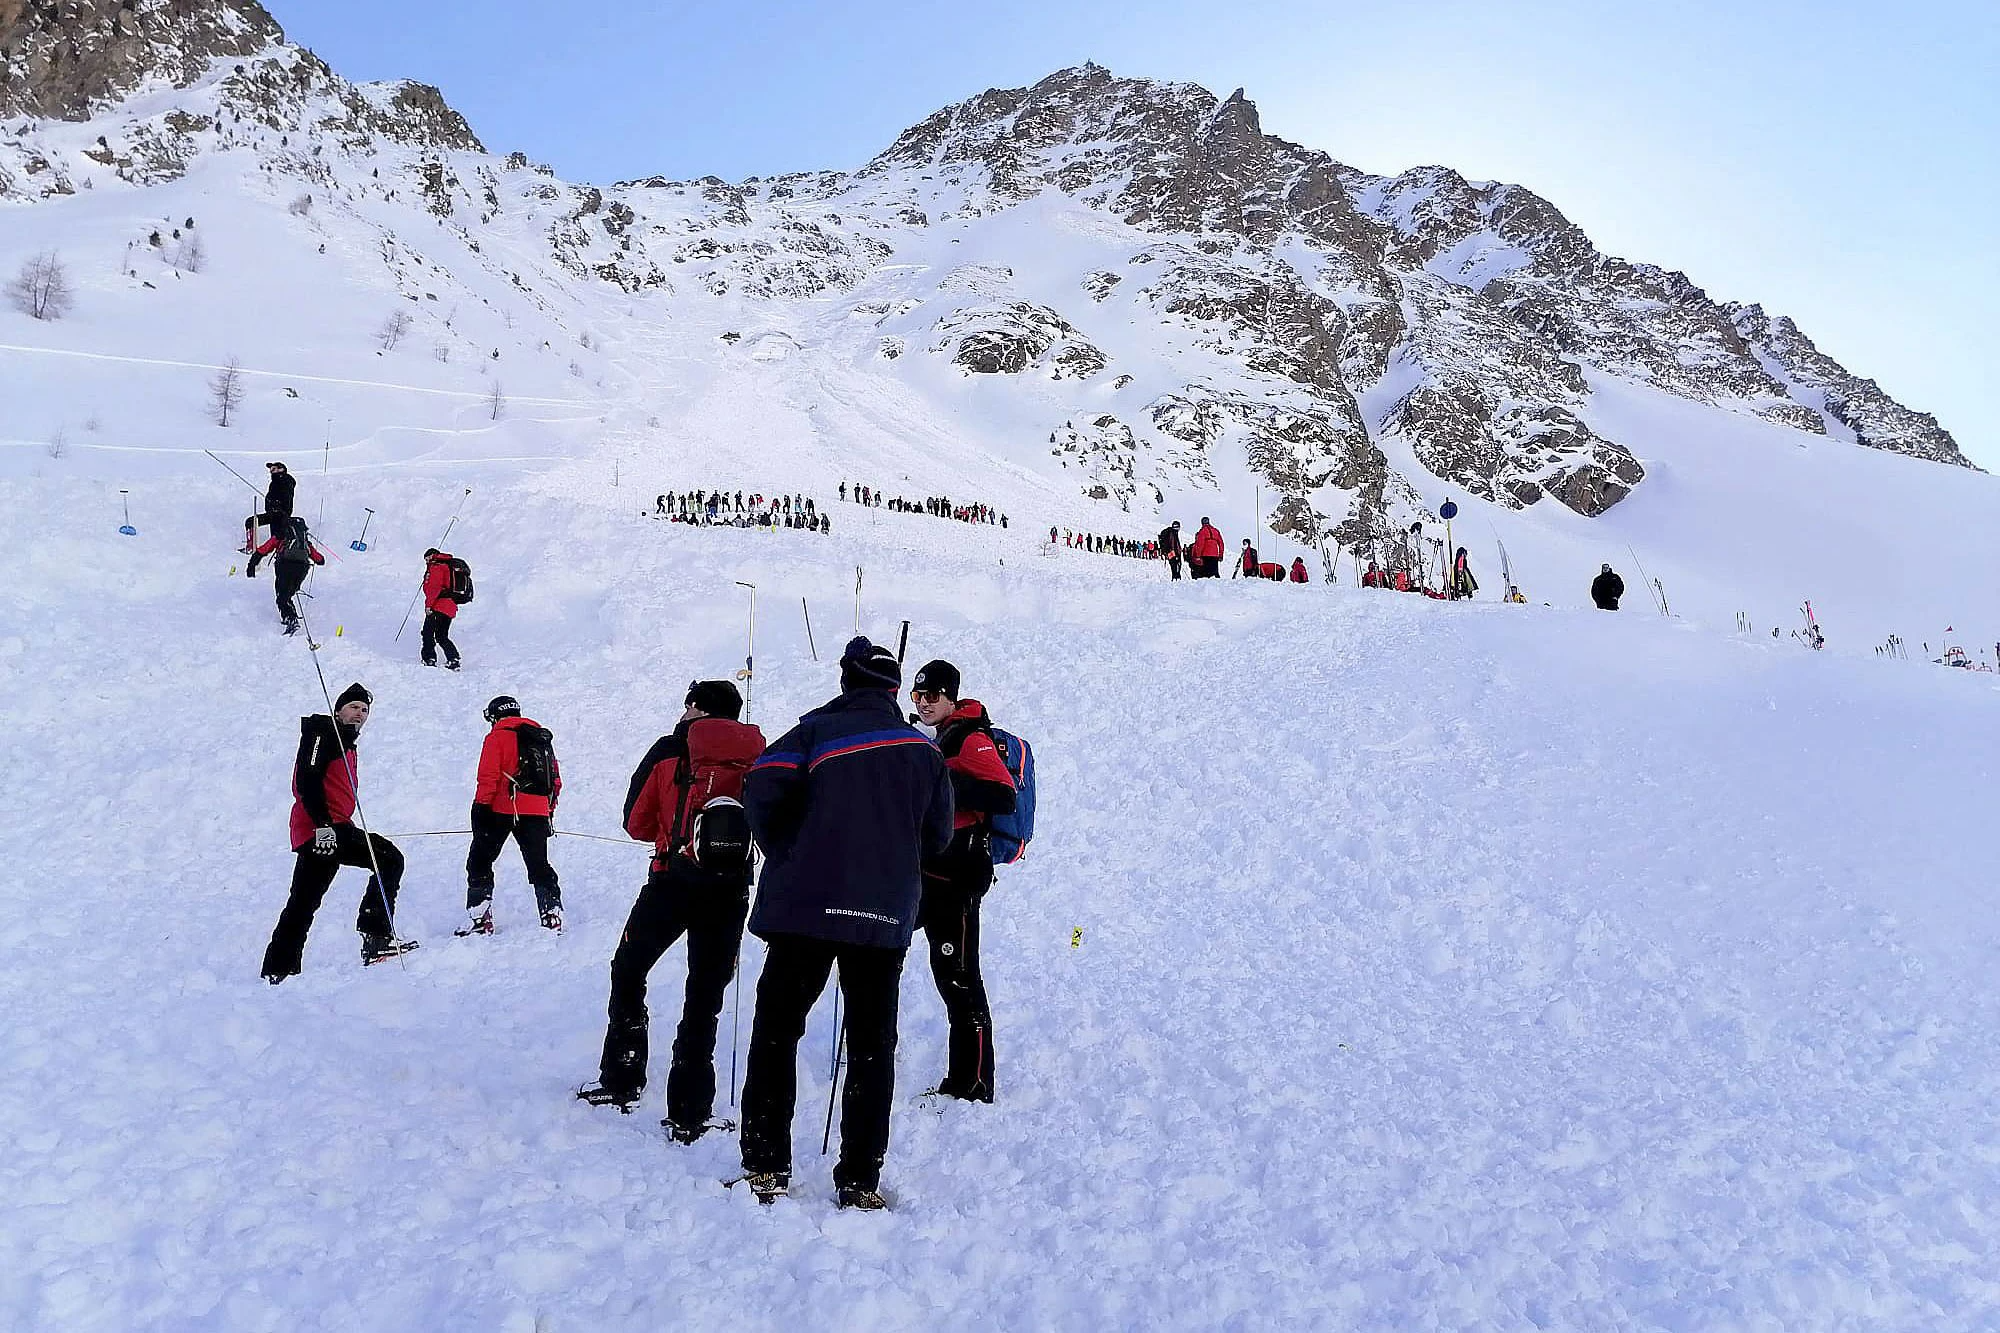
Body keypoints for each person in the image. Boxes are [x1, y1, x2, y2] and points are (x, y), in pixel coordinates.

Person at [734, 638, 953, 1209]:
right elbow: (938, 838)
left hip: (804, 909)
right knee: (873, 1045)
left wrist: (783, 848)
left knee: (778, 1032)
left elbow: (760, 785)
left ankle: (765, 1165)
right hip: (882, 915)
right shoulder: (925, 753)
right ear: (894, 690)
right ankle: (859, 1178)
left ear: (846, 681)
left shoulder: (814, 733)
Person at [578, 681, 766, 1139]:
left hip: (672, 880)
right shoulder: (757, 755)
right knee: (705, 995)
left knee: (629, 968)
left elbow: (636, 823)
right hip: (729, 891)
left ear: (695, 709)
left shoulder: (670, 750)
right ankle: (689, 1109)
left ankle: (622, 1076)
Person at [909, 660, 1016, 1104]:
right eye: (917, 696)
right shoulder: (939, 738)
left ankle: (973, 1081)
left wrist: (945, 781)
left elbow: (1003, 794)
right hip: (929, 873)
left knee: (959, 976)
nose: (924, 702)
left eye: (932, 695)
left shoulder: (971, 739)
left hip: (958, 880)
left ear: (951, 696)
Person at [260, 683, 417, 981]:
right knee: (388, 858)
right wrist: (323, 826)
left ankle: (278, 971)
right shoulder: (323, 732)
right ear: (338, 710)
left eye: (364, 710)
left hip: (327, 830)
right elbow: (306, 780)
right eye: (353, 707)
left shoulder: (344, 743)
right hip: (323, 830)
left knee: (303, 903)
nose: (359, 714)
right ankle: (376, 937)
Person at [461, 696, 564, 936]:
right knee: (539, 863)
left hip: (501, 808)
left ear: (494, 716)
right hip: (538, 810)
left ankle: (480, 918)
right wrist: (548, 810)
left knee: (480, 861)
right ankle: (552, 913)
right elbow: (555, 780)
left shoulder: (497, 736)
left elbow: (488, 776)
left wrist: (480, 807)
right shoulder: (541, 738)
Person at [245, 516, 325, 635]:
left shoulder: (281, 536)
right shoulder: (304, 542)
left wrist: (252, 565)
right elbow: (320, 560)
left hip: (284, 566)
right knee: (288, 594)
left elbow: (263, 550)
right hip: (301, 568)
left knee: (282, 596)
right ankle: (291, 615)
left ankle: (291, 619)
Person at [421, 548, 463, 670]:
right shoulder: (448, 566)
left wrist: (429, 606)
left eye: (426, 559)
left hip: (438, 606)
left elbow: (434, 588)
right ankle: (453, 659)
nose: (426, 562)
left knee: (428, 633)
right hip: (450, 607)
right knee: (441, 635)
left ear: (431, 555)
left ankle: (429, 658)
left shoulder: (437, 567)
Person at [243, 461, 296, 552]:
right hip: (272, 513)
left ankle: (281, 552)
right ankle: (251, 546)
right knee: (250, 522)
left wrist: (278, 504)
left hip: (281, 515)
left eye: (273, 469)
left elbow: (287, 496)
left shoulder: (286, 480)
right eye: (271, 469)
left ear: (281, 469)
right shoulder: (274, 482)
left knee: (277, 537)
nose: (271, 471)